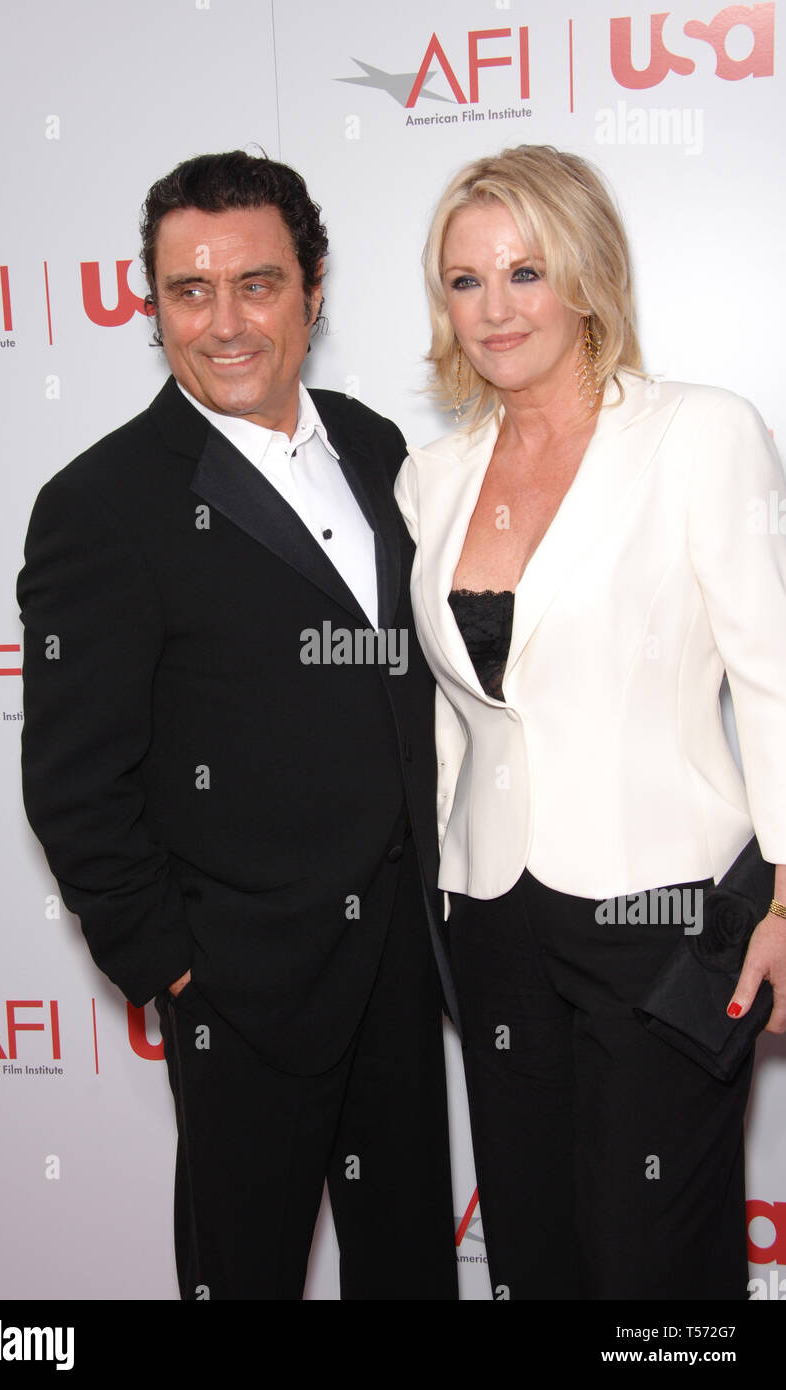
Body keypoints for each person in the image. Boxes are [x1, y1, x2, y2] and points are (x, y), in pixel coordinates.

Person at [18, 151, 458, 1301]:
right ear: (153, 301)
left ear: (312, 288)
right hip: (243, 985)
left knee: (407, 1263)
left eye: (255, 284)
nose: (222, 323)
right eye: (187, 291)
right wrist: (172, 967)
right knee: (242, 1274)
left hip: (401, 957)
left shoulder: (374, 448)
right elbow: (73, 782)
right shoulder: (100, 504)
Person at [394, 144, 786, 1301]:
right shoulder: (436, 474)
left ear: (587, 275)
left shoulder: (696, 433)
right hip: (494, 923)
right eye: (464, 281)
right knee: (535, 1249)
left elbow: (771, 676)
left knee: (650, 1259)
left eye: (526, 270)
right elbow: (458, 715)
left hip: (658, 915)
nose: (494, 307)